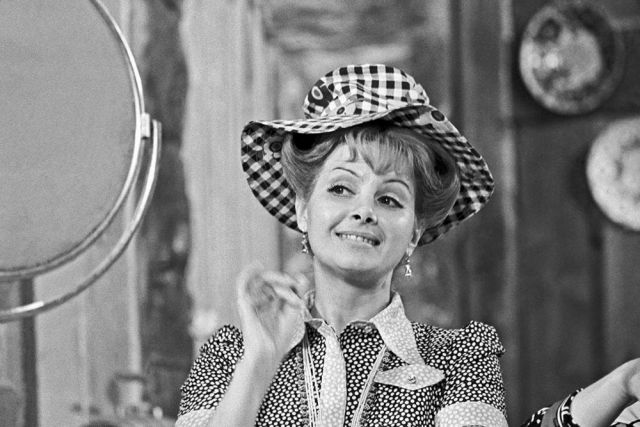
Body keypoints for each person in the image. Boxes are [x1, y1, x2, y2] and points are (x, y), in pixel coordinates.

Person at [176, 64, 639, 426]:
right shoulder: (231, 353)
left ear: (414, 231)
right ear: (302, 210)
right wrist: (260, 361)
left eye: (389, 199)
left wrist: (621, 385)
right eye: (341, 188)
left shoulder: (460, 357)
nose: (364, 210)